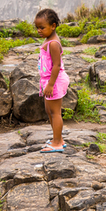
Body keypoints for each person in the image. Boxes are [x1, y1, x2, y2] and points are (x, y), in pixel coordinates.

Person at [35, 8, 70, 153]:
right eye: (37, 27)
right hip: (48, 81)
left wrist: (50, 84)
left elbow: (56, 65)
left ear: (53, 26)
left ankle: (57, 143)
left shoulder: (53, 44)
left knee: (55, 112)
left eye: (42, 27)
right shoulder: (48, 40)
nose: (39, 30)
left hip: (53, 82)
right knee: (49, 111)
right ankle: (58, 138)